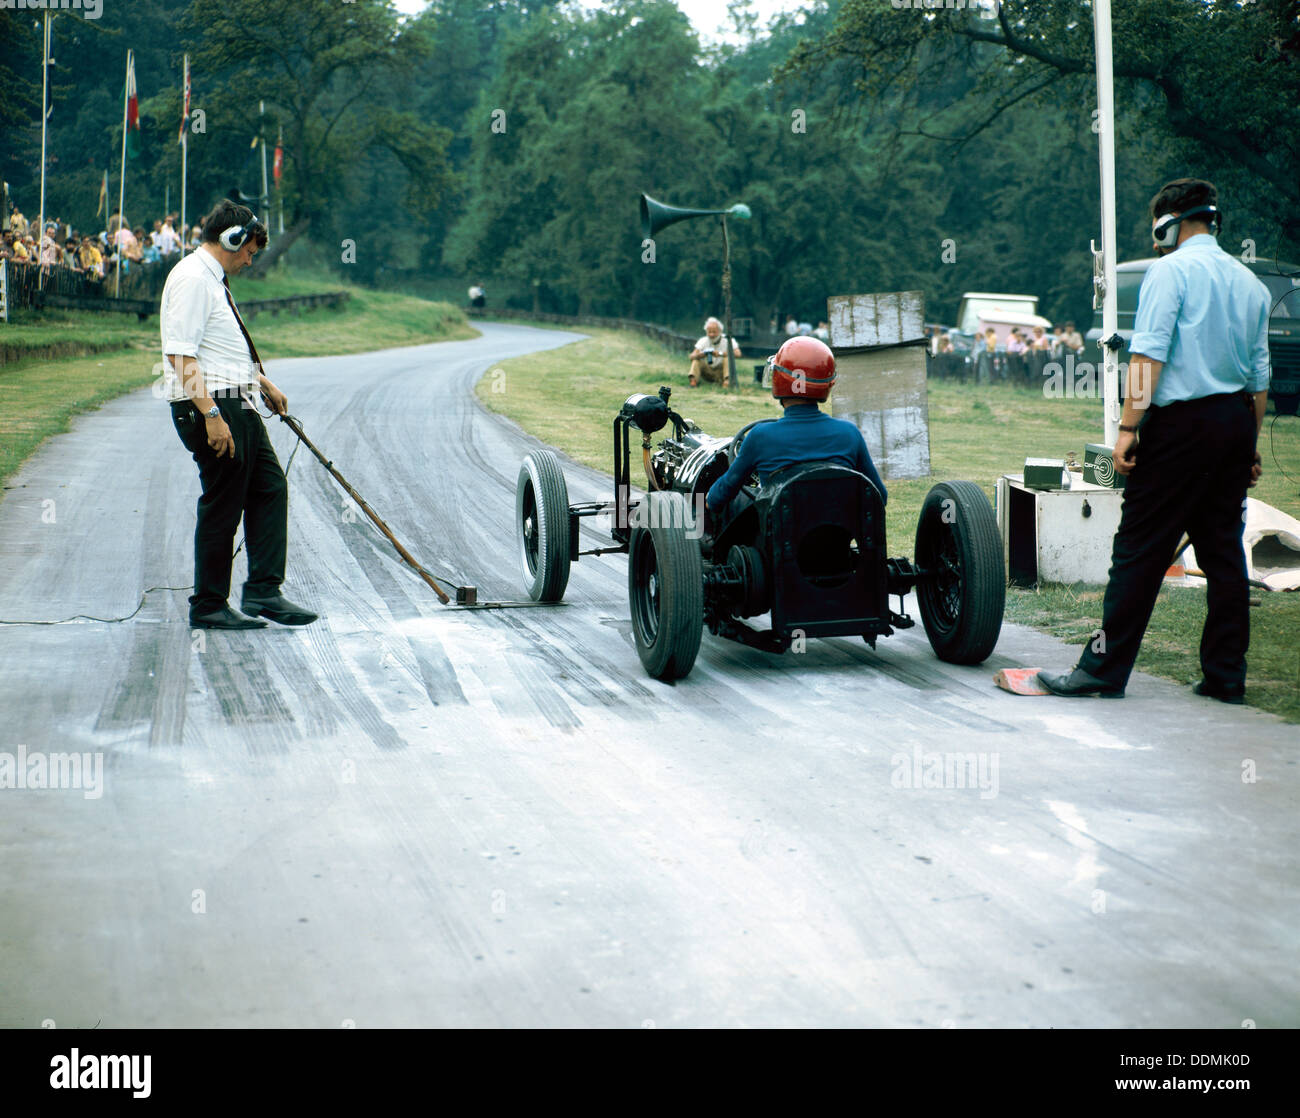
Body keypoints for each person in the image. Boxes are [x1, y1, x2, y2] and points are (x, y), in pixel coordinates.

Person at [1039, 178, 1270, 701]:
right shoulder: (1251, 284)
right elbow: (1259, 380)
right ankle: (1226, 676)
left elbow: (1148, 358)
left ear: (1170, 223)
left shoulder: (1169, 273)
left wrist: (1127, 429)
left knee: (1139, 549)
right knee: (1224, 555)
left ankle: (1101, 669)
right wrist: (1248, 447)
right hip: (1234, 420)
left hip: (1182, 425)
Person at [160, 199, 317, 630]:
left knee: (268, 487)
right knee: (223, 504)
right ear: (233, 239)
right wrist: (211, 414)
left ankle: (264, 590)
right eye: (249, 250)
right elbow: (180, 353)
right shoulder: (193, 278)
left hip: (238, 400)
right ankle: (209, 605)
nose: (250, 259)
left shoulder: (213, 281)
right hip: (214, 405)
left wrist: (262, 382)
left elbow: (221, 348)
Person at [706, 336, 887, 515]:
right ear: (827, 383)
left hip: (780, 541)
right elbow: (880, 496)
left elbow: (720, 495)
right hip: (837, 539)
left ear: (779, 380)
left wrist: (706, 501)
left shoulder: (760, 437)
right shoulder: (849, 434)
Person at [688, 316, 742, 388]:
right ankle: (693, 382)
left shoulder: (728, 340)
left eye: (714, 332)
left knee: (727, 358)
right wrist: (701, 355)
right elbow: (691, 356)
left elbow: (738, 354)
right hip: (708, 372)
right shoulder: (703, 341)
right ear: (706, 331)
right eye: (709, 332)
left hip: (722, 372)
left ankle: (727, 382)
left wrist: (720, 354)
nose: (711, 334)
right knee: (696, 360)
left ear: (720, 331)